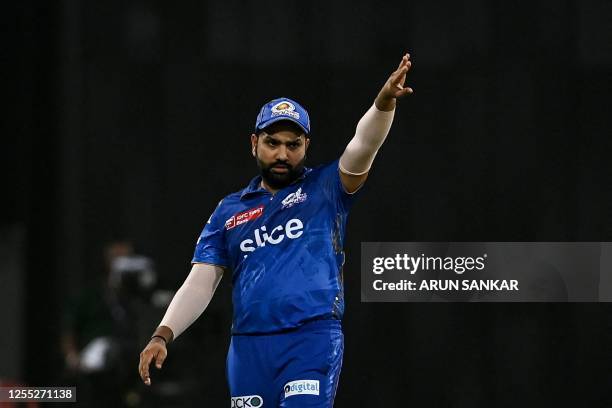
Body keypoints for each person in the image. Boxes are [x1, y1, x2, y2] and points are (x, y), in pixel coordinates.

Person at [138, 53, 413, 406]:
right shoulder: (229, 211)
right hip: (249, 347)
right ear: (254, 143)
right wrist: (163, 334)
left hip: (310, 338)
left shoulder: (326, 188)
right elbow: (201, 281)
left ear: (306, 146)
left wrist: (384, 102)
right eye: (273, 143)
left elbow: (364, 144)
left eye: (293, 144)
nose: (282, 154)